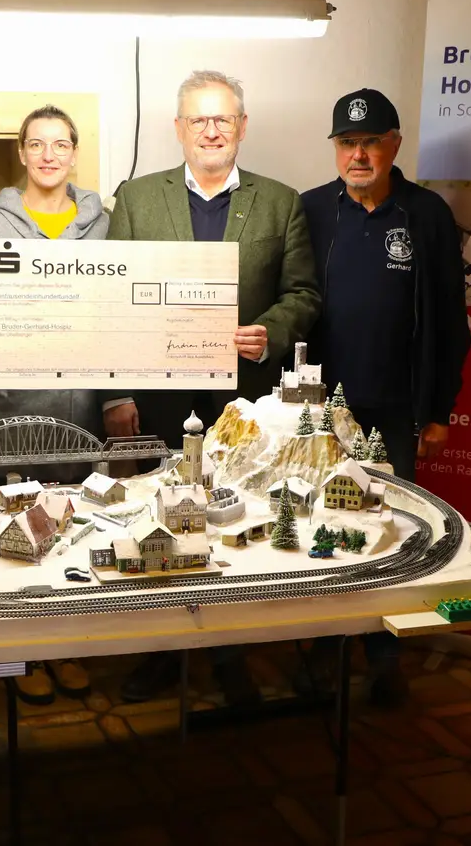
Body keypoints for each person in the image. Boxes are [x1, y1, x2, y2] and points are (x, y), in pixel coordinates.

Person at [104, 70, 321, 705]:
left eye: (223, 119)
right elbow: (116, 299)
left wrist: (270, 333)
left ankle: (229, 652)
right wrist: (119, 395)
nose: (211, 130)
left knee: (235, 523)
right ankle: (158, 654)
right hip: (162, 398)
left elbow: (303, 293)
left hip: (243, 402)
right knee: (158, 520)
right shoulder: (139, 199)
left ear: (243, 128)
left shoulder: (280, 202)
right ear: (178, 129)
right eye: (198, 119)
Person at [299, 89, 471, 706]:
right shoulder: (312, 210)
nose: (359, 154)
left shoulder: (426, 214)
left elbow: (450, 320)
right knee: (321, 520)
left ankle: (385, 654)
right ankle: (322, 642)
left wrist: (440, 409)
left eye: (372, 141)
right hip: (321, 413)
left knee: (393, 527)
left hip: (398, 407)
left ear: (396, 144)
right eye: (348, 142)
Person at [0, 105, 108, 704]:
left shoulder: (102, 223)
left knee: (72, 528)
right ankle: (23, 651)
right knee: (19, 529)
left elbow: (111, 312)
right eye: (36, 144)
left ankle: (64, 645)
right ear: (21, 154)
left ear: (74, 153)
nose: (48, 155)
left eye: (60, 144)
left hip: (79, 404)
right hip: (14, 403)